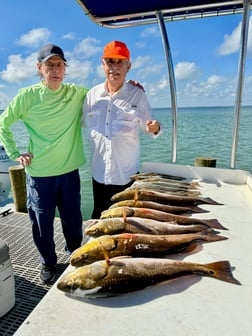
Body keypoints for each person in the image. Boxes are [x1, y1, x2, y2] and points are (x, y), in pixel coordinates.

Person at [0, 44, 89, 283]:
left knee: (73, 220)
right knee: (42, 224)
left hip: (69, 171)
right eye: (50, 64)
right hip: (39, 174)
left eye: (60, 64)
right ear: (39, 68)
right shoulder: (27, 96)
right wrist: (15, 152)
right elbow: (3, 124)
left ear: (65, 68)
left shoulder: (76, 92)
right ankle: (47, 262)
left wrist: (130, 86)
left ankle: (74, 254)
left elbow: (105, 94)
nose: (56, 69)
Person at [83, 40, 161, 219]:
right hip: (99, 175)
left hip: (126, 177)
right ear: (103, 65)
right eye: (110, 61)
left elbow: (150, 126)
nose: (114, 67)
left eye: (120, 62)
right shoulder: (91, 95)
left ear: (129, 66)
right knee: (99, 220)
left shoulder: (137, 94)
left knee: (126, 225)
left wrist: (154, 127)